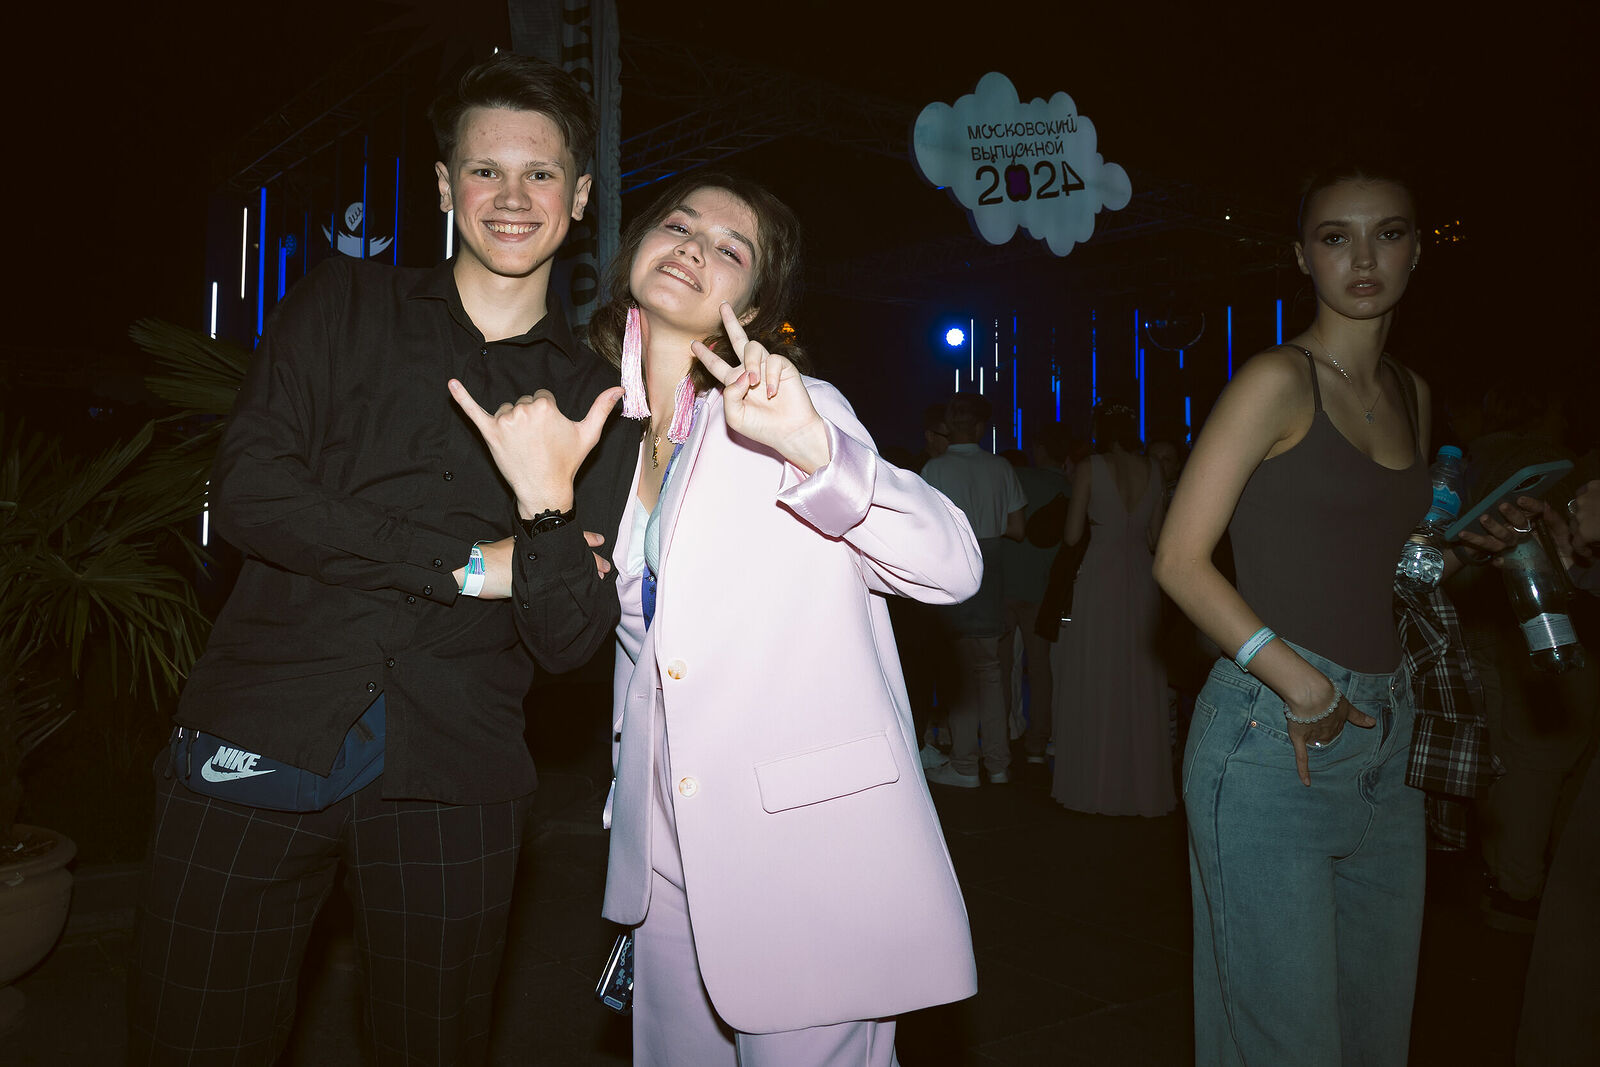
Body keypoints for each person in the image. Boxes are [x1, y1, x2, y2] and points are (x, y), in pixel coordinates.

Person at [128, 55, 622, 1065]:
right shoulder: (340, 304)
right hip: (263, 727)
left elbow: (570, 639)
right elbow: (253, 496)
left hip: (458, 777)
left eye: (540, 173)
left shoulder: (597, 399)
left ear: (578, 196)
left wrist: (542, 504)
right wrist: (467, 564)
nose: (512, 197)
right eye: (485, 170)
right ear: (444, 188)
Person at [471, 171, 980, 1063]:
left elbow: (953, 565)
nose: (695, 247)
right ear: (634, 250)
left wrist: (810, 447)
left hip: (808, 851)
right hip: (666, 850)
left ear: (755, 301)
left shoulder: (790, 413)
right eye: (678, 225)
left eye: (730, 247)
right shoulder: (606, 436)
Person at [1153, 164, 1523, 1065]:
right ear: (1301, 257)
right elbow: (1178, 559)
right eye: (1335, 237)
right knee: (1285, 1045)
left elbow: (1390, 573)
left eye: (1387, 234)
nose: (1363, 258)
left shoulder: (1413, 392)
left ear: (1417, 250)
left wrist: (1471, 549)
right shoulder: (1276, 380)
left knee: (1373, 1035)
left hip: (1388, 739)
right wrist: (1302, 682)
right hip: (1270, 733)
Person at [1050, 401, 1174, 816]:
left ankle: (1097, 784)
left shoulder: (1090, 468)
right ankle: (1140, 787)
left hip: (1099, 575)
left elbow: (1071, 536)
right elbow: (1156, 539)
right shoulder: (1153, 469)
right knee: (1139, 676)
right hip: (1140, 575)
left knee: (1097, 673)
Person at [920, 393, 1028, 787]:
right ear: (981, 427)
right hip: (991, 572)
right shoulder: (1000, 467)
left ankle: (965, 765)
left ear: (949, 426)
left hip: (954, 570)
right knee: (991, 672)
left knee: (961, 676)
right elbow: (1017, 529)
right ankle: (998, 763)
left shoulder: (934, 469)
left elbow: (925, 530)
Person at [998, 422, 1074, 766]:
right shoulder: (1069, 488)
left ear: (1040, 449)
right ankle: (1037, 744)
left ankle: (1001, 738)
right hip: (1043, 588)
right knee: (1041, 669)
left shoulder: (1017, 478)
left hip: (1006, 583)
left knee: (1001, 667)